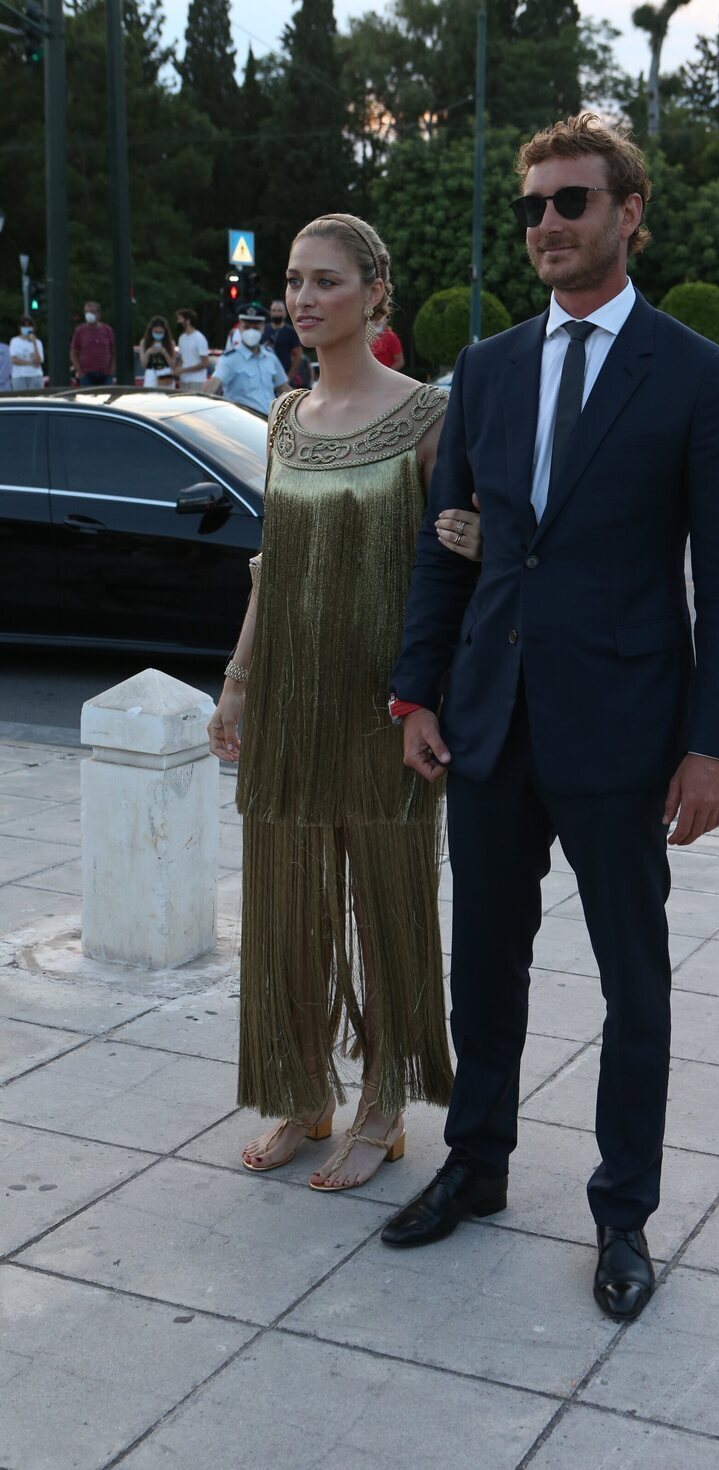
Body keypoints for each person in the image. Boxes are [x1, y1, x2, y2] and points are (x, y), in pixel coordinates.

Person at [380, 113, 719, 1323]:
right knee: (481, 963)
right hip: (489, 720)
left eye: (571, 203)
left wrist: (712, 746)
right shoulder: (486, 371)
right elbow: (448, 556)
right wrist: (414, 692)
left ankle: (621, 1214)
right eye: (534, 206)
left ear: (627, 214)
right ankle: (477, 1162)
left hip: (623, 733)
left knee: (629, 981)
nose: (547, 223)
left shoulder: (695, 376)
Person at [207, 213, 481, 1189]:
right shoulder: (282, 417)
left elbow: (448, 566)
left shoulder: (426, 415)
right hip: (287, 692)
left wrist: (432, 694)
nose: (303, 298)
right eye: (293, 280)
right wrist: (238, 682)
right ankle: (300, 1093)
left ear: (374, 290)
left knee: (383, 902)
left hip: (384, 703)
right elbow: (272, 563)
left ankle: (383, 1105)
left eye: (326, 280)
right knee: (288, 900)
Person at [204, 302, 289, 412]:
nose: (251, 332)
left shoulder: (270, 357)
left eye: (256, 328)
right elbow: (214, 384)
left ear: (263, 328)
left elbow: (284, 389)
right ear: (239, 328)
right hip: (245, 424)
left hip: (270, 423)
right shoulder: (230, 359)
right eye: (247, 327)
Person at [263, 298, 309, 385]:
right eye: (274, 310)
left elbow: (298, 356)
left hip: (285, 376)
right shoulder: (264, 330)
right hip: (266, 378)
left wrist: (288, 377)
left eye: (279, 310)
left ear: (284, 314)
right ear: (270, 313)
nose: (276, 313)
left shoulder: (290, 332)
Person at [70, 301, 115, 386]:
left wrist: (111, 371)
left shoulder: (107, 330)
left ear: (99, 314)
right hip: (87, 376)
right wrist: (80, 372)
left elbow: (114, 352)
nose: (88, 315)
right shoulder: (80, 331)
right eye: (86, 312)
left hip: (105, 375)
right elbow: (73, 353)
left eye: (92, 312)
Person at [174, 308, 210, 387]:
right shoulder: (181, 338)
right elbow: (182, 358)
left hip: (197, 381)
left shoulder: (199, 338)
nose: (178, 322)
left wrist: (185, 370)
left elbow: (205, 363)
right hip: (184, 381)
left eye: (180, 319)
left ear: (188, 321)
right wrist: (178, 369)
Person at [139, 316, 177, 389]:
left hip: (166, 374)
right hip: (151, 374)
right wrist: (148, 352)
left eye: (160, 332)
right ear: (151, 331)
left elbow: (173, 366)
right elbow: (143, 365)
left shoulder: (170, 343)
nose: (158, 334)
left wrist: (164, 353)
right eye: (156, 332)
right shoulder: (144, 342)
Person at [9, 316, 44, 390]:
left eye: (29, 326)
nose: (26, 328)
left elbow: (38, 360)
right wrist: (31, 363)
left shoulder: (38, 342)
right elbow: (14, 360)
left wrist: (34, 343)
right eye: (24, 326)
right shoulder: (15, 341)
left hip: (35, 375)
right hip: (19, 376)